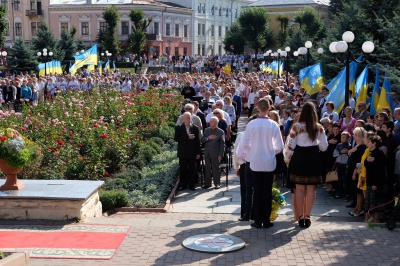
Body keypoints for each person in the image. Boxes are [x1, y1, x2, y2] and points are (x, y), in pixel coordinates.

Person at [284, 102, 328, 228]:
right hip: (313, 157)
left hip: (299, 157)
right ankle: (307, 216)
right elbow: (324, 147)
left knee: (299, 188)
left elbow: (290, 145)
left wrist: (287, 158)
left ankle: (299, 217)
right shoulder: (319, 127)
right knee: (311, 188)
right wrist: (316, 143)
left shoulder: (296, 127)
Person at [241, 98, 284, 228]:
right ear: (269, 108)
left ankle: (257, 220)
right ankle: (266, 219)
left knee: (257, 191)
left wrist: (252, 153)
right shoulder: (273, 124)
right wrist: (271, 152)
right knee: (267, 191)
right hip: (268, 162)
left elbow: (245, 144)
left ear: (258, 108)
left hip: (255, 161)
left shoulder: (251, 124)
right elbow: (280, 145)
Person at [174, 112, 201, 191]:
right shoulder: (179, 127)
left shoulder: (194, 128)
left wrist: (198, 152)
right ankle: (183, 185)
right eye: (186, 118)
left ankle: (191, 185)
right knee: (183, 169)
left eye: (189, 118)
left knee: (192, 169)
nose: (188, 119)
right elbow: (176, 138)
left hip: (192, 152)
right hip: (183, 153)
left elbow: (197, 141)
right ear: (183, 119)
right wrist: (187, 137)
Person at [363, 134, 387, 222]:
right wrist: (367, 160)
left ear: (374, 143)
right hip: (369, 181)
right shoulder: (371, 152)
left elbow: (380, 170)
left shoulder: (379, 153)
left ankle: (376, 221)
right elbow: (366, 165)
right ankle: (368, 220)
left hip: (376, 183)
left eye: (369, 142)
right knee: (369, 202)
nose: (368, 143)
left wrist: (376, 184)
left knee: (376, 203)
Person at [346, 127, 367, 216]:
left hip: (359, 172)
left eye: (356, 135)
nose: (354, 136)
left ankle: (360, 208)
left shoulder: (362, 147)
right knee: (357, 191)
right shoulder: (356, 146)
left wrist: (355, 172)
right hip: (353, 170)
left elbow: (359, 162)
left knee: (359, 191)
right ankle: (357, 207)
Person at [201, 117, 225, 189]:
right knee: (207, 168)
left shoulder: (220, 131)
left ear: (216, 123)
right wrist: (208, 138)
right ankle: (207, 183)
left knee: (215, 169)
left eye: (212, 121)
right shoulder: (206, 130)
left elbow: (222, 144)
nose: (210, 123)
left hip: (215, 153)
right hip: (207, 153)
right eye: (210, 121)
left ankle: (217, 183)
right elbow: (202, 140)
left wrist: (220, 154)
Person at [332, 132, 351, 199]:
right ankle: (339, 193)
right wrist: (341, 152)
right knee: (339, 179)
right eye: (341, 137)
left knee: (346, 180)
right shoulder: (339, 145)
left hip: (346, 165)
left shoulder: (350, 146)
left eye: (344, 138)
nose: (342, 139)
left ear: (348, 139)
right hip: (339, 164)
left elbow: (351, 156)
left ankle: (346, 193)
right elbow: (334, 154)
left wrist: (348, 152)